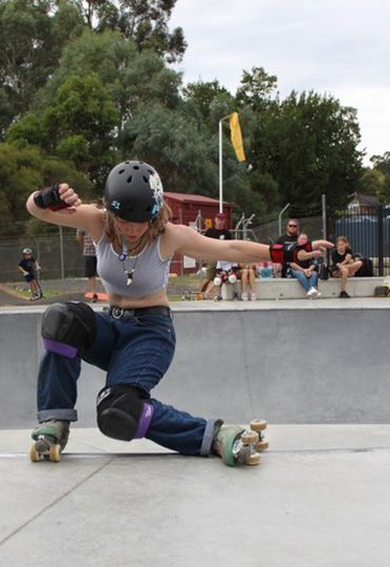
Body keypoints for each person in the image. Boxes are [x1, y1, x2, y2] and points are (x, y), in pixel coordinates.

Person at [25, 161, 286, 467]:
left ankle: (214, 434)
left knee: (118, 411)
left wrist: (284, 253)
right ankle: (55, 421)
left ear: (155, 212)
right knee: (61, 319)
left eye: (142, 221)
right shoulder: (97, 221)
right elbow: (36, 209)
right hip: (110, 327)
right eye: (124, 220)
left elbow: (229, 250)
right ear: (112, 211)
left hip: (150, 334)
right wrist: (49, 196)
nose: (133, 229)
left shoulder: (169, 235)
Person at [198, 213, 233, 297]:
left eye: (222, 220)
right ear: (215, 220)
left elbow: (230, 245)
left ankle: (213, 294)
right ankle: (199, 293)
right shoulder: (210, 231)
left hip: (223, 258)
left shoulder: (227, 233)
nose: (220, 222)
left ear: (224, 221)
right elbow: (204, 243)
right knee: (208, 278)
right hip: (213, 257)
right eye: (218, 220)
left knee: (220, 276)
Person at [288, 233, 320, 298]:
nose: (303, 241)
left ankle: (311, 291)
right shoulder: (292, 249)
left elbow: (314, 263)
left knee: (314, 274)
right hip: (296, 269)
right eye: (302, 239)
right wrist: (303, 270)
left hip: (308, 269)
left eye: (305, 239)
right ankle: (310, 290)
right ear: (298, 240)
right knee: (302, 275)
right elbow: (292, 264)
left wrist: (309, 270)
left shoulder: (310, 249)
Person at [77, 228, 99, 302]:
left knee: (96, 273)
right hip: (90, 252)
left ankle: (95, 293)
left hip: (98, 251)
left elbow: (79, 237)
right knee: (91, 274)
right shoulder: (82, 225)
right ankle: (94, 293)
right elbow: (79, 237)